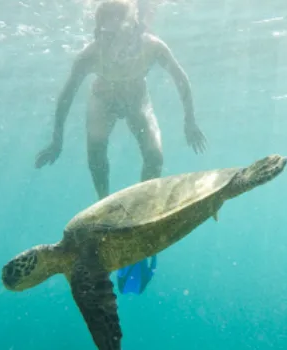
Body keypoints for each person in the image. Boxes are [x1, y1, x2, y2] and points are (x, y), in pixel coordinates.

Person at [34, 0, 206, 293]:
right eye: (104, 34)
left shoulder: (152, 46)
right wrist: (57, 140)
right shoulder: (90, 55)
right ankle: (106, 216)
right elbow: (66, 96)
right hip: (103, 97)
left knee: (155, 156)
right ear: (97, 32)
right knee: (96, 153)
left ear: (135, 28)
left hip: (137, 95)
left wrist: (190, 121)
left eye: (117, 34)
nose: (110, 42)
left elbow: (181, 79)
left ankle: (142, 217)